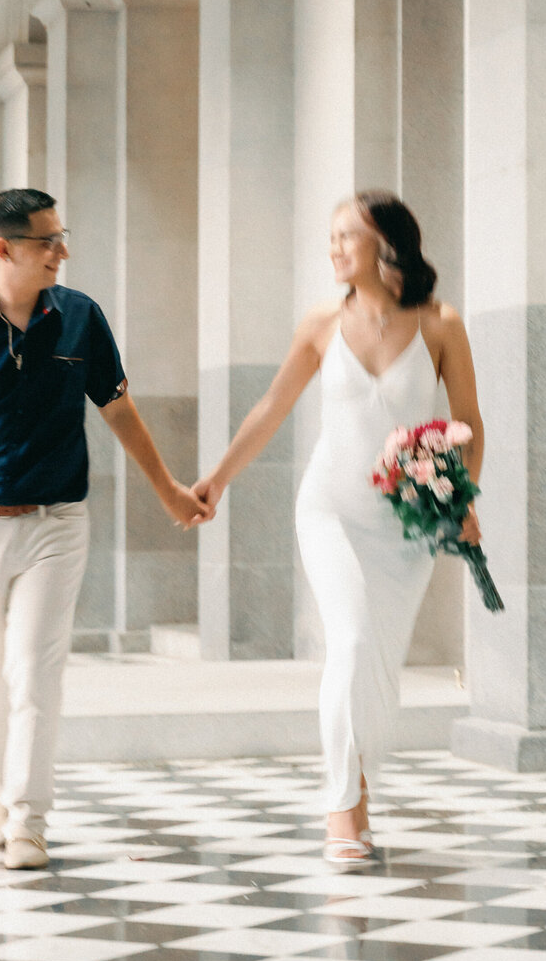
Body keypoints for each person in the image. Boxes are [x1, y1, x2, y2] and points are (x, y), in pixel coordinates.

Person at [0, 188, 210, 869]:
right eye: (49, 242)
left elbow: (117, 408)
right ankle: (1, 790)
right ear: (4, 249)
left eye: (62, 238)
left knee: (37, 673)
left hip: (58, 521)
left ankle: (27, 819)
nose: (63, 253)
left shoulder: (80, 318)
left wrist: (167, 489)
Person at [192, 190, 484, 864]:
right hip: (330, 511)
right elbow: (271, 407)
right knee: (350, 643)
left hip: (407, 523)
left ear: (386, 245)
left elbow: (470, 424)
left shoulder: (440, 324)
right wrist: (218, 479)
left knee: (380, 663)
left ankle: (360, 779)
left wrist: (462, 498)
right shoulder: (322, 323)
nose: (333, 247)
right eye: (331, 236)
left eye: (345, 236)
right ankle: (342, 810)